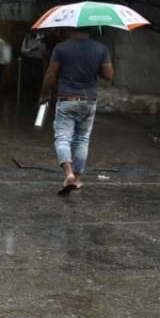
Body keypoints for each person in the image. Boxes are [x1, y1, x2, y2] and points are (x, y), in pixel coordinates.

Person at [39, 27, 114, 194]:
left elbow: (51, 74)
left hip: (67, 99)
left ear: (72, 28)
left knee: (63, 138)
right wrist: (93, 66)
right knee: (82, 140)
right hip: (89, 100)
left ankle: (69, 173)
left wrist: (44, 95)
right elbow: (109, 75)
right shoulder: (101, 48)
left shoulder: (62, 48)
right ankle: (78, 179)